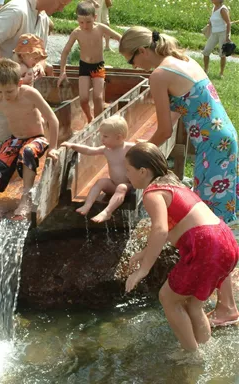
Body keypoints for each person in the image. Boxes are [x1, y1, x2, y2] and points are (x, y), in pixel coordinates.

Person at [119, 26, 239, 327]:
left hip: (213, 148)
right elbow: (174, 115)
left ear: (142, 51)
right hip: (222, 142)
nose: (134, 67)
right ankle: (221, 299)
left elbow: (163, 131)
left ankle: (227, 307)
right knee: (216, 220)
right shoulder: (183, 60)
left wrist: (132, 156)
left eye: (131, 60)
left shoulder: (158, 75)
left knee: (215, 223)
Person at [125, 142, 238, 351]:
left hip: (206, 246)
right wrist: (145, 252)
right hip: (226, 240)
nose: (127, 176)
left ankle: (191, 355)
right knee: (194, 305)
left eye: (128, 170)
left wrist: (143, 270)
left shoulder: (152, 193)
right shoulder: (173, 183)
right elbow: (181, 228)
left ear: (143, 171)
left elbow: (159, 230)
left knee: (167, 298)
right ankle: (205, 351)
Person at [0, 58, 59, 220]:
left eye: (9, 91)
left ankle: (25, 198)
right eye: (0, 91)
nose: (5, 96)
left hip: (37, 138)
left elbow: (53, 119)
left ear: (20, 83)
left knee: (28, 152)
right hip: (16, 139)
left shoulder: (30, 94)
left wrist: (53, 148)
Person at [0, 0, 72, 142]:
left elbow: (40, 55)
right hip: (2, 96)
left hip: (24, 97)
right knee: (3, 151)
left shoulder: (43, 18)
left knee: (27, 148)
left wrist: (39, 66)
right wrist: (13, 76)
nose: (61, 9)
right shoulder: (17, 11)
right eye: (61, 3)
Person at [61, 115, 134, 222]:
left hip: (127, 186)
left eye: (105, 136)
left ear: (118, 137)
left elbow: (144, 152)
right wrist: (72, 145)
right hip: (113, 185)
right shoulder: (106, 150)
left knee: (121, 187)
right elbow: (89, 150)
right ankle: (87, 205)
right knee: (100, 182)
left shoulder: (130, 148)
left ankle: (107, 212)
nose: (101, 139)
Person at [57, 1, 121, 123]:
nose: (85, 26)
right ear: (77, 20)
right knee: (83, 99)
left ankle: (98, 122)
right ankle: (90, 118)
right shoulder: (77, 32)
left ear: (95, 18)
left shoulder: (100, 28)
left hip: (98, 66)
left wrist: (127, 48)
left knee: (97, 97)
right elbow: (65, 52)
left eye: (88, 22)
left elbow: (119, 37)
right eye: (81, 22)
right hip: (84, 67)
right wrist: (62, 72)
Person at [202, 0, 232, 78]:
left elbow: (228, 23)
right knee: (206, 51)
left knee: (222, 53)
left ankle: (221, 73)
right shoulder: (214, 7)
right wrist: (209, 23)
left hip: (223, 33)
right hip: (214, 33)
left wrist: (227, 36)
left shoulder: (222, 9)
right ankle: (205, 70)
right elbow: (213, 19)